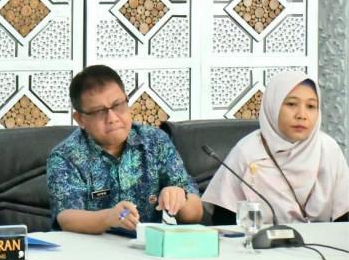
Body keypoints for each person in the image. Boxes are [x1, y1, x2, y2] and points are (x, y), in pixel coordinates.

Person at [47, 65, 202, 234]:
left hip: (148, 246)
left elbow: (196, 212)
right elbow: (66, 218)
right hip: (92, 247)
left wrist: (180, 198)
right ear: (80, 119)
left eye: (118, 105)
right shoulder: (65, 156)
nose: (112, 118)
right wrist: (108, 218)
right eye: (99, 112)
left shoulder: (155, 140)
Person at [203, 71, 349, 224]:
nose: (302, 115)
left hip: (322, 239)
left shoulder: (328, 149)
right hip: (261, 238)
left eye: (311, 106)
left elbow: (344, 215)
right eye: (291, 104)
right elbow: (224, 219)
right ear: (273, 105)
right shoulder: (247, 152)